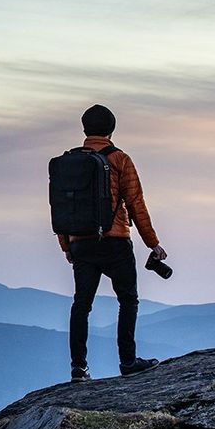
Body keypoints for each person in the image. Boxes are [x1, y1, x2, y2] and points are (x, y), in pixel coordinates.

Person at [58, 104, 167, 382]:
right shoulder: (120, 159)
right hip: (115, 241)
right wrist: (153, 243)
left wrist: (67, 245)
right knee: (128, 300)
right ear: (111, 129)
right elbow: (136, 203)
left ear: (85, 129)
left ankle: (78, 367)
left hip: (81, 243)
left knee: (81, 304)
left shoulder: (69, 162)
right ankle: (128, 361)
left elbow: (62, 207)